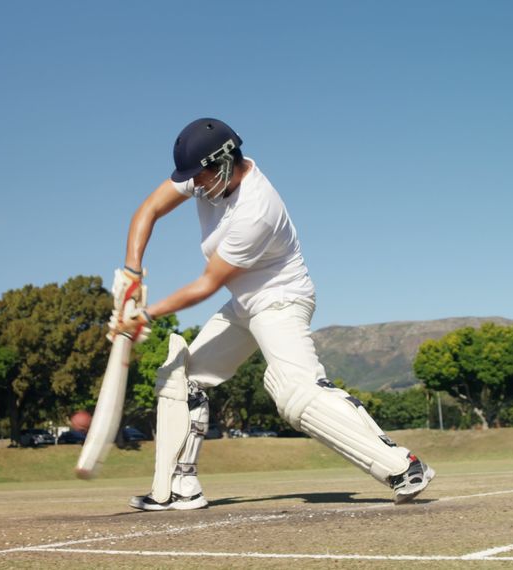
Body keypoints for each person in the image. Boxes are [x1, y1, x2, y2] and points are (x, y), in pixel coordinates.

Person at [107, 118, 434, 511]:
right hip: (244, 304)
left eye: (201, 176)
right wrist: (131, 274)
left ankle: (404, 466)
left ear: (224, 162)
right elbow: (148, 210)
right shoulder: (206, 175)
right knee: (182, 378)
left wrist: (145, 314)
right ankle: (181, 487)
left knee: (295, 393)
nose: (194, 185)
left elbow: (207, 284)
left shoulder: (256, 210)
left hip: (280, 300)